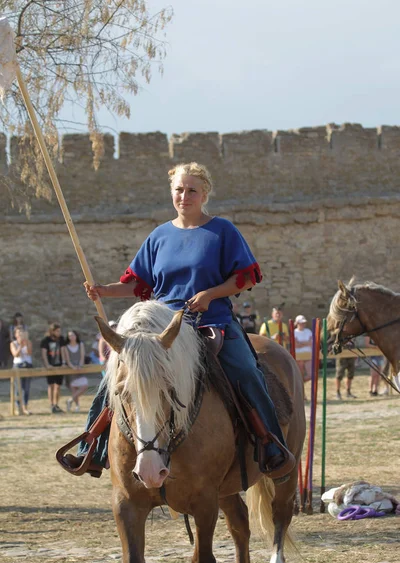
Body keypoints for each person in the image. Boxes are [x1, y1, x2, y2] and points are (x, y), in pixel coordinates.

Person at [62, 162, 295, 481]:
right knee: (115, 376)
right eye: (179, 190)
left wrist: (210, 294)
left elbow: (245, 278)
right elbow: (139, 285)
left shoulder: (222, 231)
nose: (184, 196)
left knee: (245, 372)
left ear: (204, 194)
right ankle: (95, 446)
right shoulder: (158, 236)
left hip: (211, 323)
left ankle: (271, 445)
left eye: (191, 190)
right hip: (162, 329)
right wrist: (104, 290)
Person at [40, 322, 66, 413]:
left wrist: (63, 362)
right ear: (52, 331)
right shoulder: (46, 340)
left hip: (59, 365)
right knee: (51, 385)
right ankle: (51, 404)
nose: (59, 332)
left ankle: (56, 404)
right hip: (50, 365)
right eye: (57, 331)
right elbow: (44, 353)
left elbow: (63, 351)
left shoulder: (61, 339)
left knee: (58, 386)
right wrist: (47, 364)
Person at [63, 330, 88, 412]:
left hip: (79, 368)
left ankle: (70, 400)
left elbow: (82, 356)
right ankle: (77, 406)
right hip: (71, 369)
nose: (71, 337)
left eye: (73, 335)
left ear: (76, 336)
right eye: (70, 336)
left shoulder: (80, 345)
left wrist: (80, 365)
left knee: (84, 385)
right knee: (73, 388)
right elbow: (67, 359)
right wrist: (72, 367)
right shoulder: (66, 347)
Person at [10, 326, 33, 415]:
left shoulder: (28, 342)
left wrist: (26, 344)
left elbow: (29, 352)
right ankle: (18, 408)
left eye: (22, 332)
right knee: (18, 388)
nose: (20, 334)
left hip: (27, 365)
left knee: (26, 388)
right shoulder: (13, 343)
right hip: (18, 365)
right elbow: (16, 354)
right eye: (19, 333)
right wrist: (20, 346)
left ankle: (25, 407)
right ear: (16, 335)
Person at [293, 315, 313, 383]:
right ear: (297, 323)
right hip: (299, 356)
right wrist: (306, 343)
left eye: (303, 323)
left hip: (309, 355)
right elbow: (295, 345)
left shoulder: (308, 331)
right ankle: (301, 386)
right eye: (301, 323)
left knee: (311, 375)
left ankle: (301, 384)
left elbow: (311, 343)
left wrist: (300, 343)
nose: (302, 324)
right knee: (300, 375)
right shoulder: (294, 332)